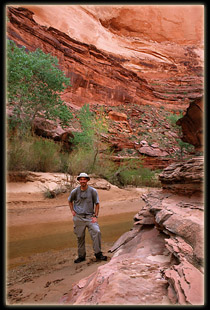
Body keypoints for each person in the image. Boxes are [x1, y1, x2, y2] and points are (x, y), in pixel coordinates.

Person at [68, 172, 107, 263]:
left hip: (90, 217)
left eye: (84, 179)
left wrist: (95, 216)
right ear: (79, 181)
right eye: (81, 179)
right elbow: (70, 201)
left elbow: (97, 204)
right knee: (80, 237)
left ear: (87, 180)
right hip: (78, 218)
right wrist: (72, 211)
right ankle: (81, 256)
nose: (82, 181)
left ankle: (98, 253)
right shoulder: (75, 191)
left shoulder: (93, 191)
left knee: (97, 232)